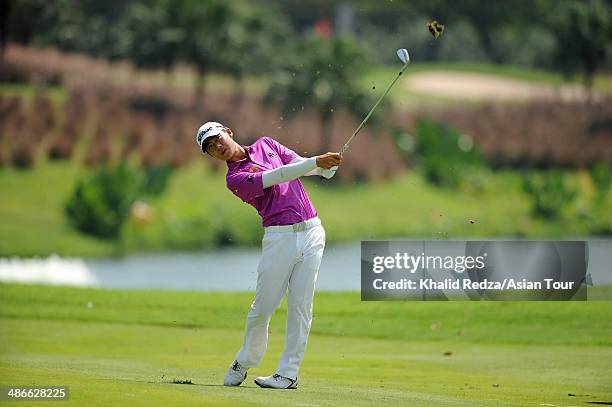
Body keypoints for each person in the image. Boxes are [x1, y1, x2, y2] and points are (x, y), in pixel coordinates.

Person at [195, 121, 342, 390]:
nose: (217, 147)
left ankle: (288, 373)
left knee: (301, 306)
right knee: (263, 308)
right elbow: (279, 176)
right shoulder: (234, 179)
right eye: (211, 148)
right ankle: (245, 360)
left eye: (217, 139)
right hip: (279, 238)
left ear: (229, 131)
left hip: (312, 231)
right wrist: (315, 162)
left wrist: (325, 168)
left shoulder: (267, 144)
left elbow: (301, 165)